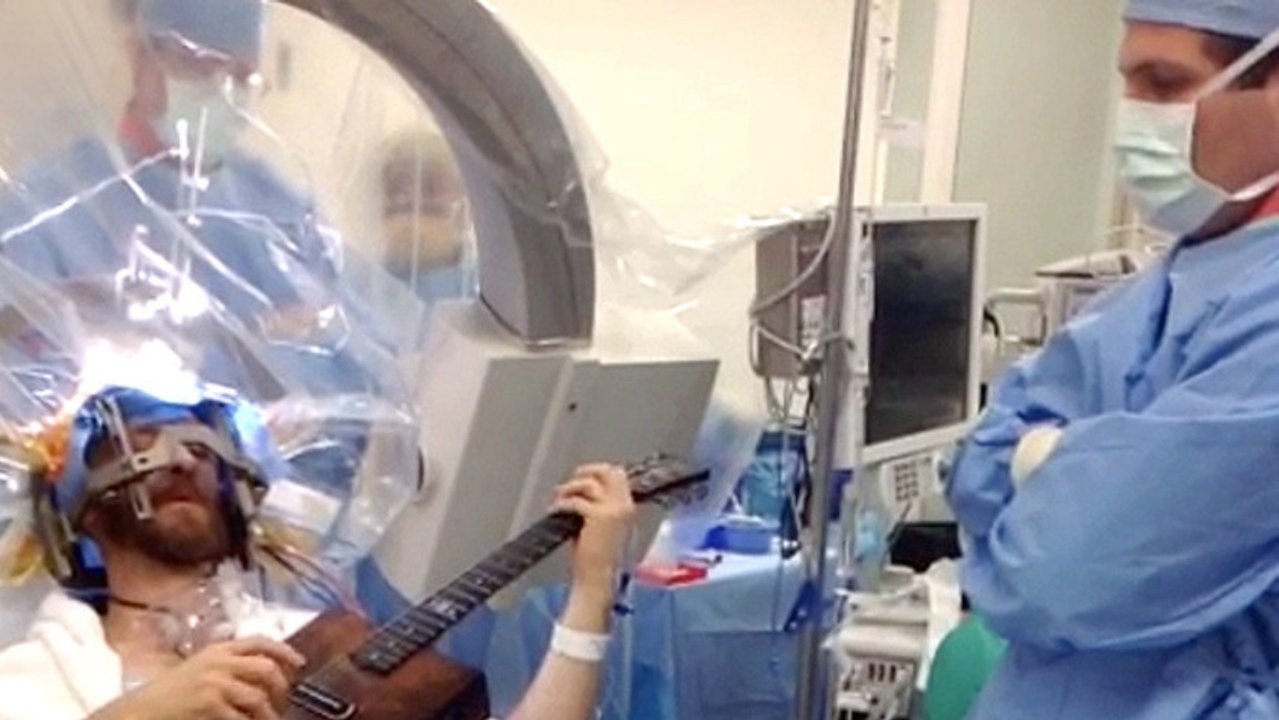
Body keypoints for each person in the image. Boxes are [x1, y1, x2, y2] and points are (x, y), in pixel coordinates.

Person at [945, 1, 1279, 717]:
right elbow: (975, 466)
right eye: (1127, 82)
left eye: (1163, 84)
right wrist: (1078, 469)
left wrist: (1049, 461)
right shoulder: (1157, 286)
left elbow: (1062, 574)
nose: (1132, 116)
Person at [0, 386, 633, 720]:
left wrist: (591, 592)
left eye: (202, 445)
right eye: (142, 440)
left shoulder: (320, 652)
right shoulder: (25, 682)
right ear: (75, 507)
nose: (183, 456)